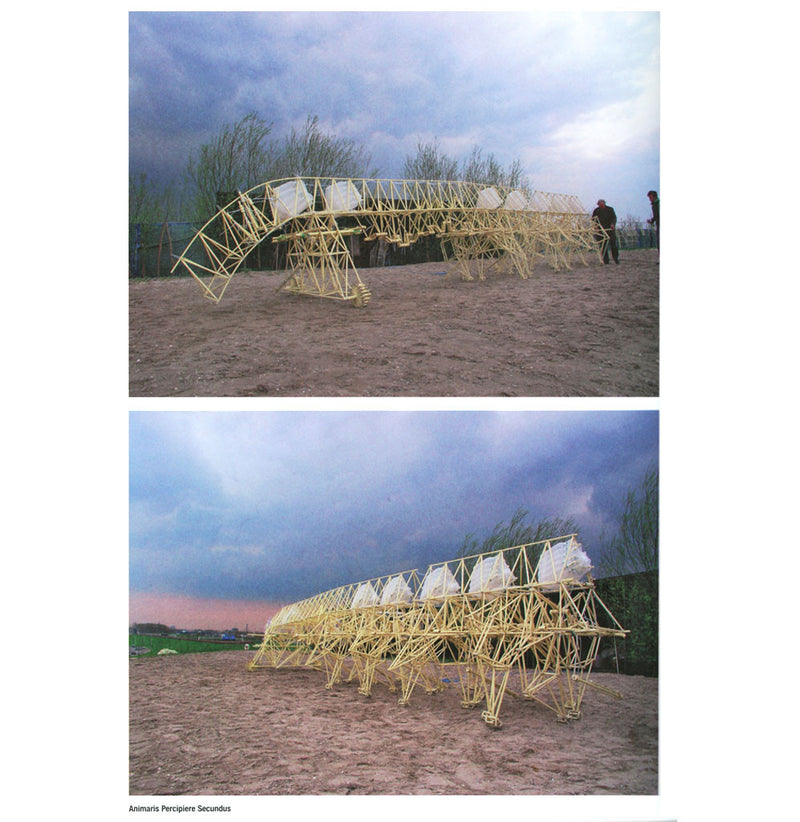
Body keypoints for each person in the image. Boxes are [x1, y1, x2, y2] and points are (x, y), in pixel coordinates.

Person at [591, 199, 619, 264]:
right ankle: (606, 260)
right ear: (598, 205)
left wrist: (613, 224)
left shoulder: (610, 209)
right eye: (600, 205)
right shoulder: (596, 211)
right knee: (603, 246)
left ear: (604, 203)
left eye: (602, 204)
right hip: (601, 230)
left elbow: (614, 218)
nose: (601, 206)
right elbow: (593, 219)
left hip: (610, 229)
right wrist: (595, 226)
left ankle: (616, 259)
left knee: (613, 245)